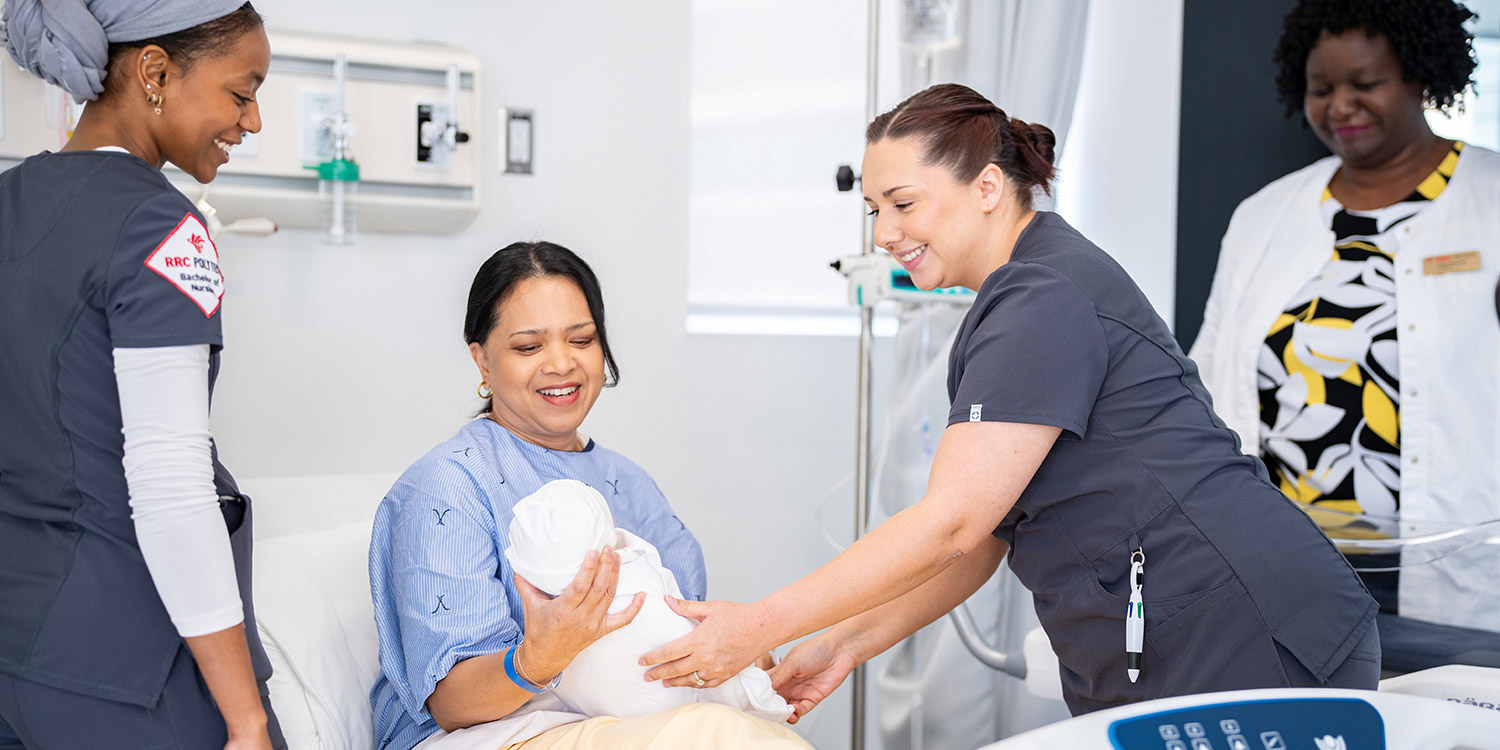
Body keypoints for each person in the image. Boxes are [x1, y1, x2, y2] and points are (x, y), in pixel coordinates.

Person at [639, 83, 1381, 718]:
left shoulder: (1042, 296)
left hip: (1243, 627)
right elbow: (984, 536)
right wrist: (842, 645)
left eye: (902, 203)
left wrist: (758, 624)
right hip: (1199, 627)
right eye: (873, 209)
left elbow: (952, 526)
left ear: (988, 188)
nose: (886, 232)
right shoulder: (1021, 293)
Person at [368, 242, 813, 750]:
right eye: (528, 347)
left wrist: (745, 658)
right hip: (495, 735)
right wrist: (538, 657)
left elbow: (675, 640)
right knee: (718, 736)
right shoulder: (447, 487)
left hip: (639, 720)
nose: (561, 364)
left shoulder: (630, 484)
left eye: (581, 339)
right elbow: (452, 706)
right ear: (483, 361)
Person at [0, 2, 280, 748]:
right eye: (241, 92)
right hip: (128, 670)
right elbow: (168, 483)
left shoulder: (8, 202)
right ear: (155, 72)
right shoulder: (160, 228)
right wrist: (246, 717)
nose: (252, 123)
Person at [1190, 0, 1500, 633]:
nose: (1340, 106)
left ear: (1421, 75)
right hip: (1285, 571)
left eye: (1366, 84)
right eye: (1321, 89)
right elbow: (1209, 382)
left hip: (1458, 571)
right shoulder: (1264, 215)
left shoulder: (1491, 202)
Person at [504, 479, 792, 722]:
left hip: (600, 711)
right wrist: (753, 671)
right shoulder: (637, 580)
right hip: (688, 701)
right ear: (610, 528)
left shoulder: (631, 481)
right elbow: (683, 633)